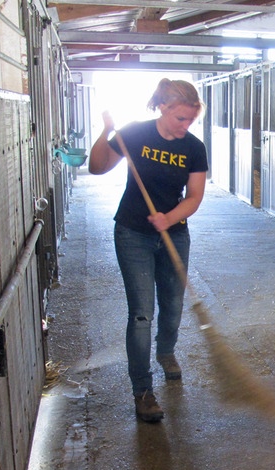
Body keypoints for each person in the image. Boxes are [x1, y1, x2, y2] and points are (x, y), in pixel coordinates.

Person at [88, 79, 209, 422]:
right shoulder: (134, 134)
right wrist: (106, 132)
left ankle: (166, 351)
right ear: (163, 107)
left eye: (191, 120)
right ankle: (143, 390)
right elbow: (97, 167)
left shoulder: (194, 148)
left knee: (172, 305)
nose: (186, 126)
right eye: (180, 118)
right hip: (132, 232)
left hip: (175, 232)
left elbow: (194, 196)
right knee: (142, 313)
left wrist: (169, 218)